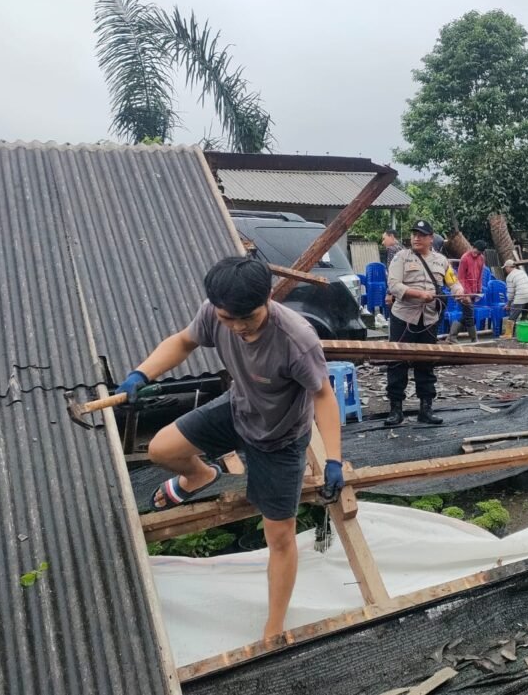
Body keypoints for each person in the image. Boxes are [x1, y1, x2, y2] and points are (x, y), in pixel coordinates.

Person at [116, 256, 343, 640]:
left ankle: (273, 628)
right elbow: (183, 342)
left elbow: (323, 396)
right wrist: (142, 372)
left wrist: (334, 459)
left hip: (280, 439)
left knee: (280, 537)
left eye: (247, 318)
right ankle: (201, 474)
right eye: (227, 319)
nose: (238, 328)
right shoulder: (214, 312)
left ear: (268, 299)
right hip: (238, 409)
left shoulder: (296, 340)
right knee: (160, 449)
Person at [385, 219, 466, 426]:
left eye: (421, 235)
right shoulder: (400, 257)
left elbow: (452, 281)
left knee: (426, 362)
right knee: (397, 362)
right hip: (403, 317)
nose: (416, 238)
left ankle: (426, 409)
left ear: (431, 238)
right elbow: (394, 286)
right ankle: (396, 410)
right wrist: (419, 294)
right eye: (414, 234)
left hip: (429, 319)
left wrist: (459, 292)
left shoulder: (441, 261)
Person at [449, 239, 487, 343]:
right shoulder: (465, 258)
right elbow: (461, 278)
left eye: (478, 252)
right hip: (464, 292)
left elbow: (480, 275)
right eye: (475, 250)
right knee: (470, 315)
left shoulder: (481, 259)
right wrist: (466, 293)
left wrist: (478, 290)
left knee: (466, 315)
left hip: (474, 292)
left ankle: (451, 337)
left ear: (481, 253)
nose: (475, 253)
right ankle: (474, 339)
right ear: (472, 247)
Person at [503, 258, 528, 337]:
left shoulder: (510, 276)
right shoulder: (521, 272)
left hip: (521, 297)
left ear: (508, 267)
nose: (505, 270)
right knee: (524, 317)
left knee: (512, 317)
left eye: (505, 268)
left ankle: (508, 334)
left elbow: (511, 294)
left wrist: (508, 305)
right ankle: (523, 334)